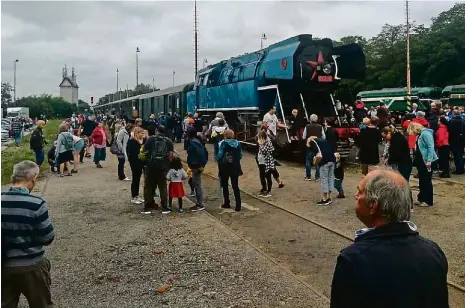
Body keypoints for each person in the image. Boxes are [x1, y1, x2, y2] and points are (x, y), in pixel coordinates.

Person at [330, 169, 449, 308]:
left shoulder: (353, 260)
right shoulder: (433, 251)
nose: (356, 196)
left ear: (373, 205)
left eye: (360, 192)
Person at [1, 161, 55, 308]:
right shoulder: (36, 203)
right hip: (32, 265)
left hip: (4, 266)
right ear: (33, 179)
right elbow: (47, 237)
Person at [139, 125, 174, 214]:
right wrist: (168, 166)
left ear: (156, 130)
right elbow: (170, 156)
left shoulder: (150, 139)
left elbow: (144, 151)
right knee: (162, 187)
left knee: (148, 186)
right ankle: (165, 208)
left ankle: (147, 207)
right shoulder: (168, 141)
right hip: (163, 167)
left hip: (151, 166)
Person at [408, 122, 438, 207]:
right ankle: (422, 198)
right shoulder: (420, 134)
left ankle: (428, 200)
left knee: (426, 180)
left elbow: (430, 147)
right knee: (422, 180)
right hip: (421, 160)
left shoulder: (426, 134)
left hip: (426, 160)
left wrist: (429, 160)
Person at [216, 129, 243, 211]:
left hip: (225, 167)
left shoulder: (223, 143)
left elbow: (220, 154)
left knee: (225, 185)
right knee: (235, 185)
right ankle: (238, 205)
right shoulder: (238, 143)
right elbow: (240, 155)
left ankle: (227, 202)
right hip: (235, 166)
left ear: (225, 135)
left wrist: (217, 159)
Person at [307, 136, 336, 205]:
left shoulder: (313, 142)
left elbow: (318, 154)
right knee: (330, 178)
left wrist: (315, 162)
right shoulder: (323, 140)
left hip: (325, 161)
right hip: (332, 160)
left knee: (324, 179)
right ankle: (329, 197)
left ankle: (324, 199)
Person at [185, 126, 208, 211]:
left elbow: (201, 154)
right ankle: (199, 203)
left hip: (196, 165)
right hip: (196, 165)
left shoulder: (194, 143)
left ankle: (200, 204)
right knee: (196, 183)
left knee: (197, 184)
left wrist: (202, 165)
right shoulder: (196, 141)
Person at [303, 114, 325, 180]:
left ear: (310, 119)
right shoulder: (320, 127)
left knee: (308, 161)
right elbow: (324, 137)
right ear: (317, 119)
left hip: (309, 145)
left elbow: (304, 136)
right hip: (318, 146)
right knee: (317, 161)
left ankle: (308, 176)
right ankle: (317, 176)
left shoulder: (307, 126)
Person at [127, 127, 145, 204]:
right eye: (141, 133)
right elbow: (130, 154)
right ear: (137, 133)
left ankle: (137, 195)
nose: (143, 135)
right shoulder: (132, 141)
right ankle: (134, 196)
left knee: (138, 180)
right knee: (135, 179)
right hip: (135, 163)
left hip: (141, 163)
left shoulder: (142, 141)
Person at [257, 130, 275, 197]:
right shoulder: (261, 142)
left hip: (267, 161)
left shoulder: (268, 142)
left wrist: (261, 144)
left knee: (268, 176)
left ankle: (269, 190)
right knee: (262, 175)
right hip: (261, 161)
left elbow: (264, 151)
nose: (259, 139)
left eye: (260, 137)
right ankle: (264, 188)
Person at [447, 109, 465, 174]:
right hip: (462, 141)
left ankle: (459, 169)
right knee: (461, 155)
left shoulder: (451, 121)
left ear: (453, 114)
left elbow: (449, 132)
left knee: (456, 155)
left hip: (454, 141)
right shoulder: (463, 121)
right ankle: (462, 168)